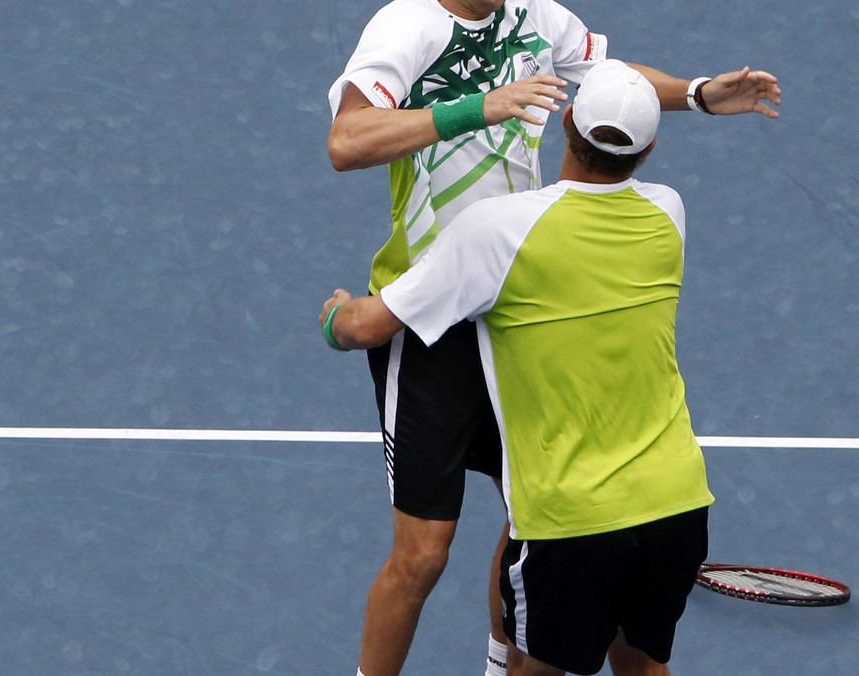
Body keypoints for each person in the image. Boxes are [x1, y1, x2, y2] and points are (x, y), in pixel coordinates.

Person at [325, 2, 779, 674]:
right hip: (426, 316)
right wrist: (475, 109)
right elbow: (347, 142)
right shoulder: (407, 27)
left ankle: (501, 662)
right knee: (422, 554)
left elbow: (612, 80)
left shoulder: (539, 16)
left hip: (516, 299)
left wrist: (695, 94)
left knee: (534, 508)